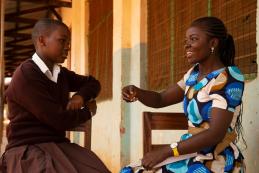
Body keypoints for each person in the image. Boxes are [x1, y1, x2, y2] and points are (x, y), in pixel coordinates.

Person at [122, 16, 245, 173]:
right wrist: (138, 92)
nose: (187, 45)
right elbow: (161, 99)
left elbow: (215, 134)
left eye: (193, 39)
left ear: (213, 43)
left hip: (215, 157)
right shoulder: (192, 75)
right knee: (129, 171)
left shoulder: (228, 77)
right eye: (186, 40)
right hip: (191, 151)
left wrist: (166, 150)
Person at [0, 18, 111, 173]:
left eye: (68, 42)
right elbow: (57, 119)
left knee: (98, 170)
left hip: (58, 144)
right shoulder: (26, 75)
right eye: (62, 41)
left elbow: (93, 83)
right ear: (42, 41)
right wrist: (88, 111)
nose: (68, 48)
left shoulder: (60, 74)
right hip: (27, 148)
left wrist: (80, 96)